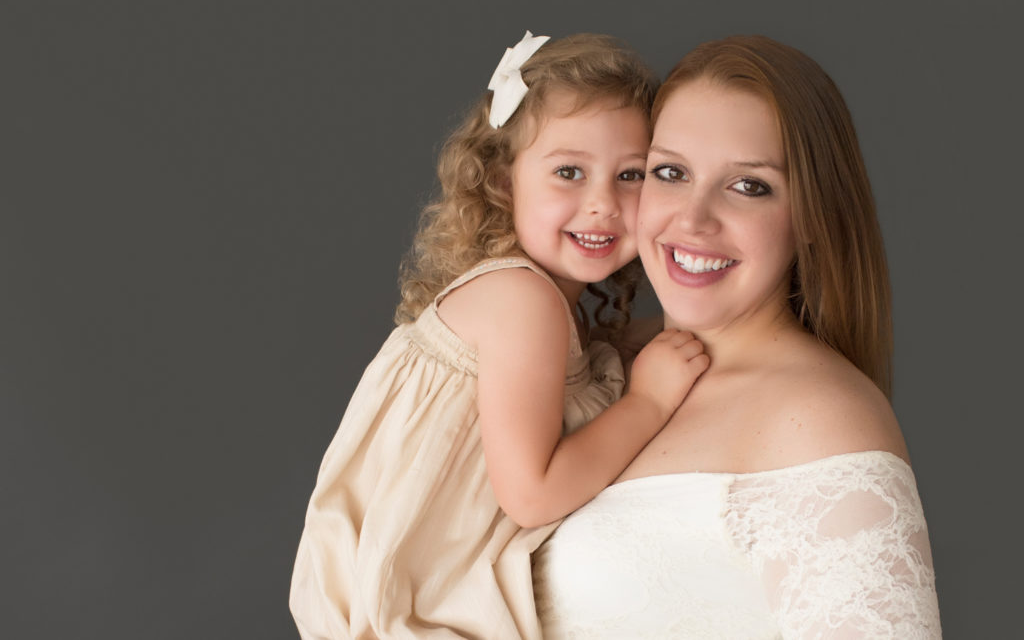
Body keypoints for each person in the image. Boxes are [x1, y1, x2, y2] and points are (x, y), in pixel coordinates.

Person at [289, 32, 709, 639]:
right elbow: (534, 495)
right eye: (569, 171)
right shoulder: (523, 302)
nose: (602, 204)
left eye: (632, 175)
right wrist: (649, 402)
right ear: (504, 180)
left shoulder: (536, 307)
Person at [534, 35, 942, 638]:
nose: (693, 219)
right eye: (670, 172)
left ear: (811, 217)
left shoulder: (819, 417)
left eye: (749, 186)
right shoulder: (600, 365)